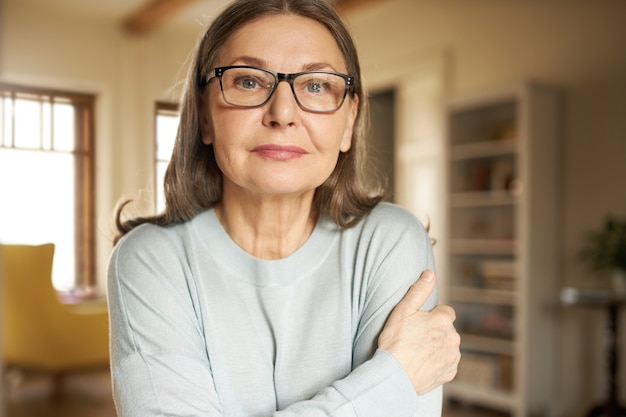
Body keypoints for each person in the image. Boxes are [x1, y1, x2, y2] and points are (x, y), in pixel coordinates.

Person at [107, 0, 460, 416]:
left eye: (316, 85)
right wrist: (395, 379)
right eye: (249, 82)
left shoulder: (391, 242)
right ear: (204, 115)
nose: (283, 113)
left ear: (349, 121)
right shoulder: (150, 260)